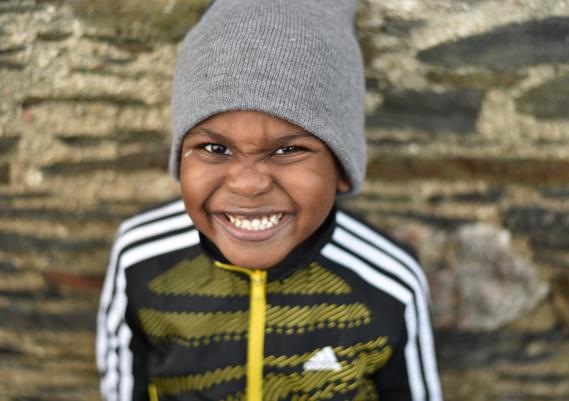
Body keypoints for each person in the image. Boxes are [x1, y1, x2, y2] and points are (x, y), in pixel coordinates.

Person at [96, 0, 443, 400]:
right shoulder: (141, 258)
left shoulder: (389, 283)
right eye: (215, 148)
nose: (248, 184)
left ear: (342, 169)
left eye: (287, 150)